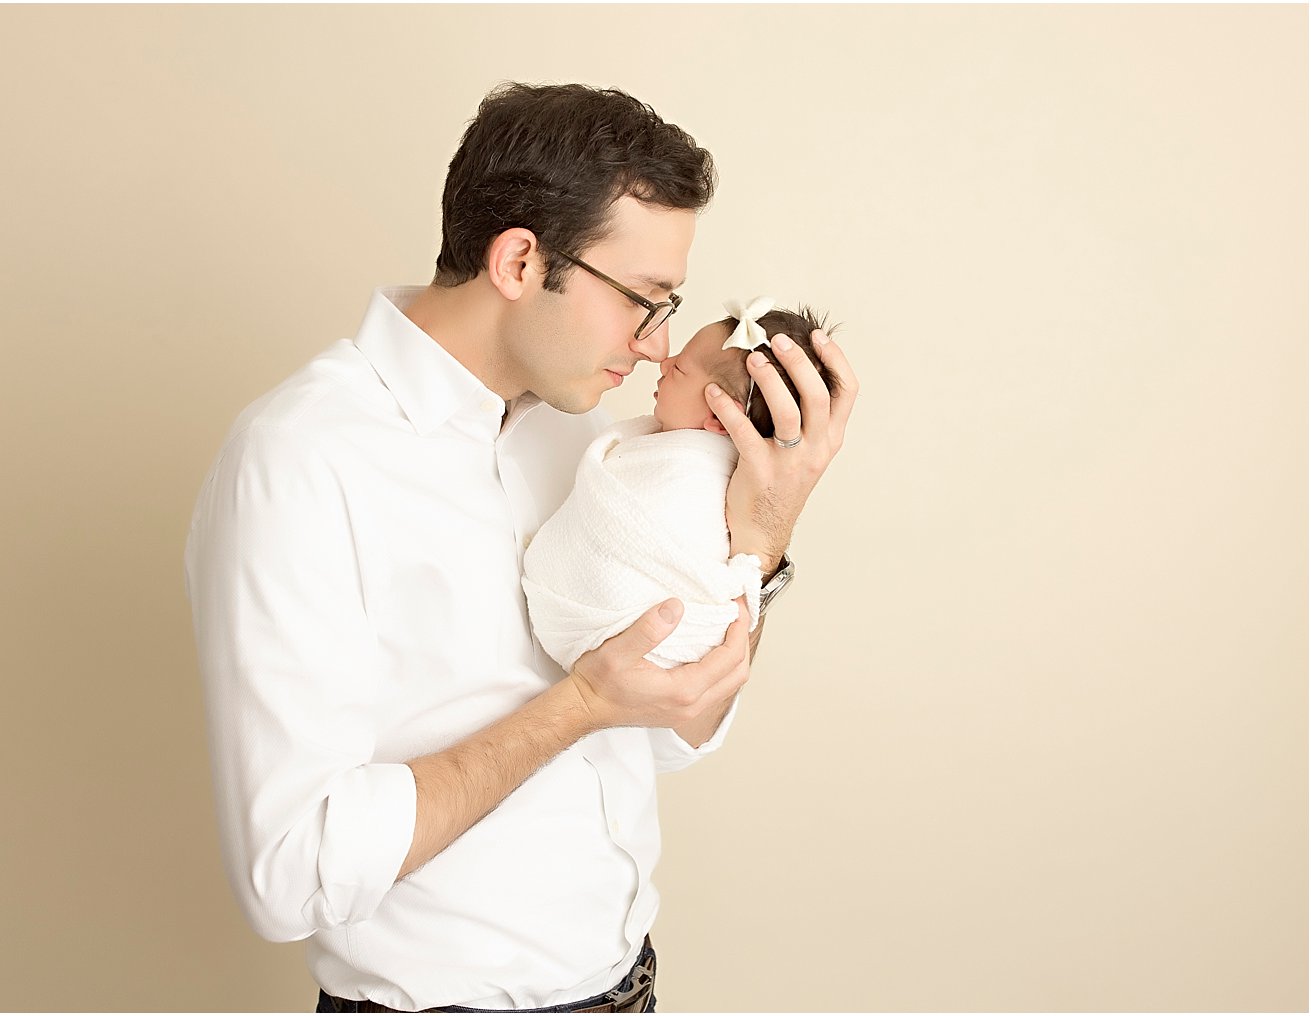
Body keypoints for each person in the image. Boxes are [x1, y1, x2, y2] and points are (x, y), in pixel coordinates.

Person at [184, 82, 858, 1014]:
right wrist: (578, 706)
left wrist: (763, 536)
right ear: (517, 261)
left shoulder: (596, 447)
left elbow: (677, 732)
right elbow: (289, 875)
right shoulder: (301, 461)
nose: (660, 347)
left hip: (628, 987)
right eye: (643, 301)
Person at [522, 300, 843, 672]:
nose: (664, 361)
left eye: (682, 369)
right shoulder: (650, 447)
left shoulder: (697, 475)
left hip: (638, 632)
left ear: (721, 417)